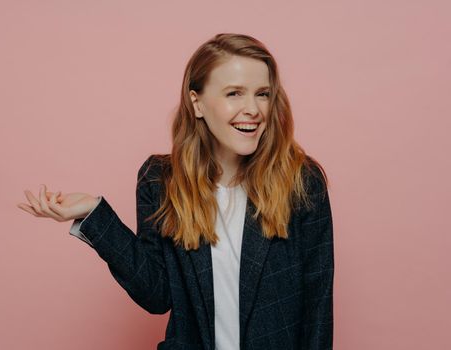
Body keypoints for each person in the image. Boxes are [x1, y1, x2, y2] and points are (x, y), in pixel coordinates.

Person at [17, 33, 334, 350]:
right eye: (234, 93)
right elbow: (156, 294)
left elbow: (317, 309)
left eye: (262, 94)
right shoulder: (161, 181)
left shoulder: (302, 183)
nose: (253, 109)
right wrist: (94, 215)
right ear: (197, 103)